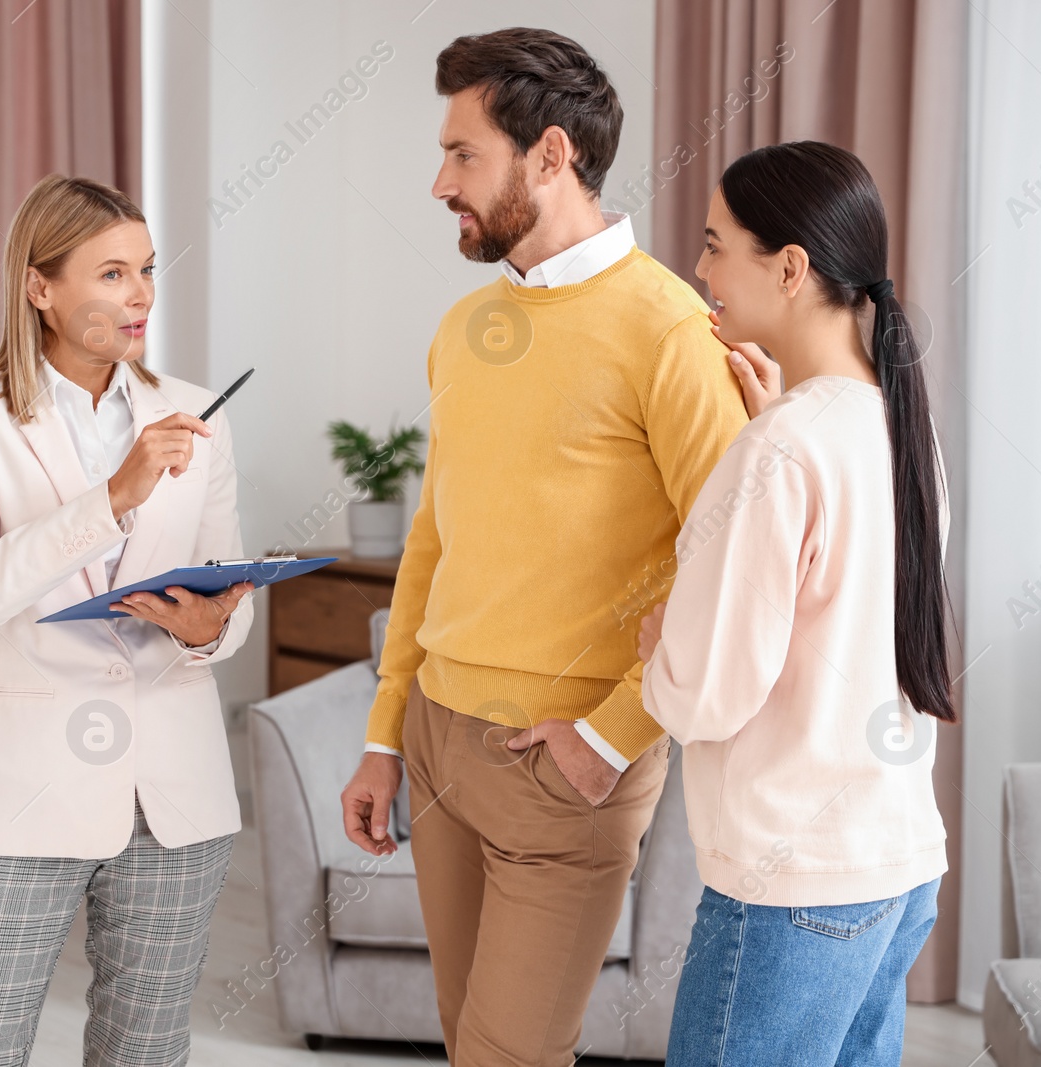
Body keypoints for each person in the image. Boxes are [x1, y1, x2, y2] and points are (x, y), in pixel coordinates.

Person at [337, 27, 749, 1064]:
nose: (439, 182)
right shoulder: (464, 327)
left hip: (562, 763)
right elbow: (435, 534)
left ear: (551, 155)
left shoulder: (670, 332)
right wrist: (388, 731)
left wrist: (609, 736)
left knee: (508, 1052)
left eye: (463, 154)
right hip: (436, 741)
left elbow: (735, 562)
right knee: (461, 1037)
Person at [0, 173, 256, 1067]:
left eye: (144, 271)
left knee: (145, 1051)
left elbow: (228, 601)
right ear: (40, 286)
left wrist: (202, 628)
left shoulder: (194, 411)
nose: (138, 293)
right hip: (21, 792)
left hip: (172, 794)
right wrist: (114, 496)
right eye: (110, 273)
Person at [637, 141, 955, 1066]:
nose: (698, 269)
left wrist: (661, 644)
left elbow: (708, 695)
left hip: (794, 888)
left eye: (713, 243)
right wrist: (774, 422)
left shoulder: (783, 450)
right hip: (894, 865)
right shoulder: (898, 426)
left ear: (788, 267)